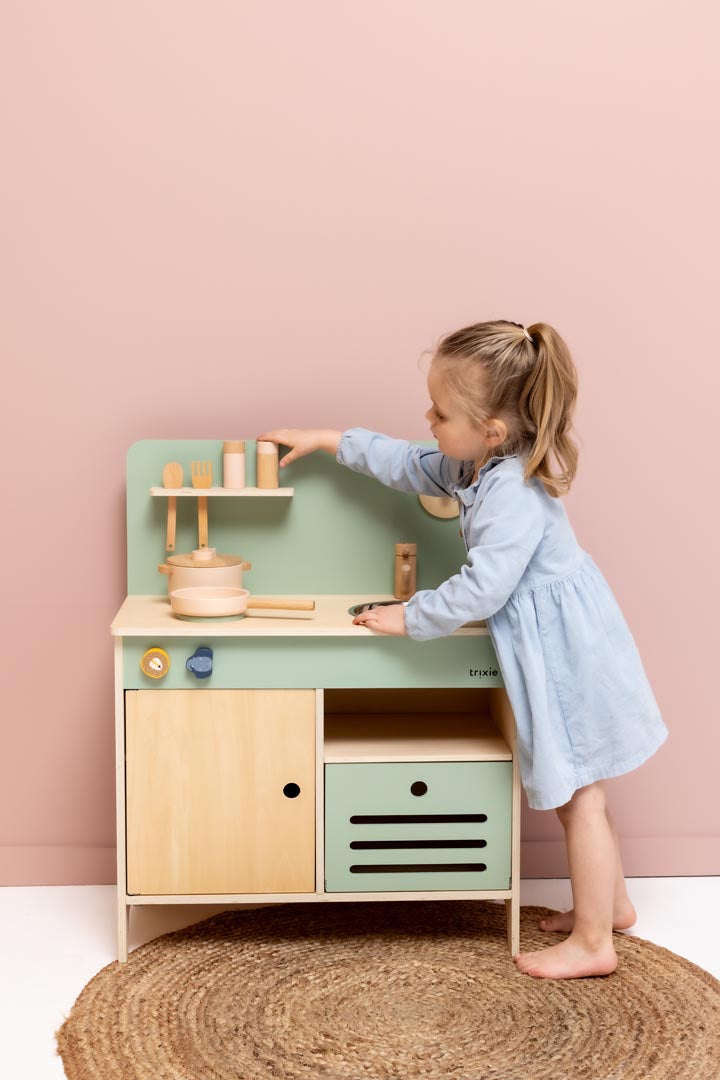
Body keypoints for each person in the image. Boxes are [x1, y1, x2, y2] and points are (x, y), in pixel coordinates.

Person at [257, 318, 668, 981]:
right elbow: (401, 462)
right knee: (582, 788)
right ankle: (611, 905)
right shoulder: (476, 464)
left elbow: (482, 588)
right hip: (562, 637)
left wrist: (408, 617)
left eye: (442, 412)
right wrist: (327, 441)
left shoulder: (512, 492)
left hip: (567, 652)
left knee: (580, 795)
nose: (429, 420)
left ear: (493, 429)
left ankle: (595, 942)